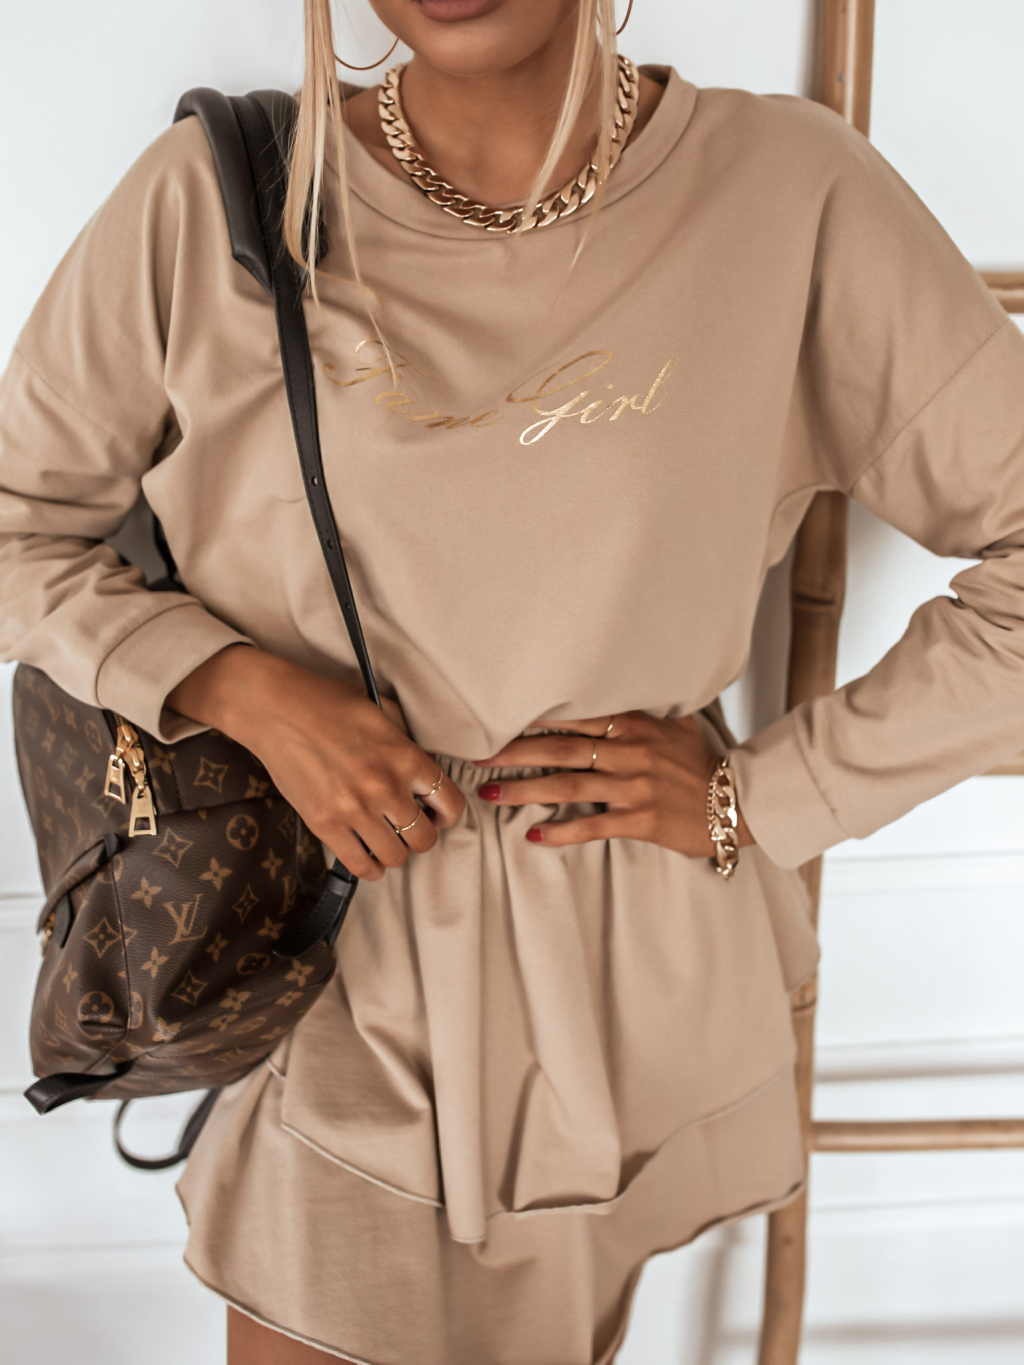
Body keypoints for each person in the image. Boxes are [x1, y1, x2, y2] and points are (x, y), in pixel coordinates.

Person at [3, 0, 1024, 1360]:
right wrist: (240, 688)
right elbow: (16, 526)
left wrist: (766, 795)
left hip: (626, 972)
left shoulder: (789, 193)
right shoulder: (216, 199)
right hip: (329, 938)